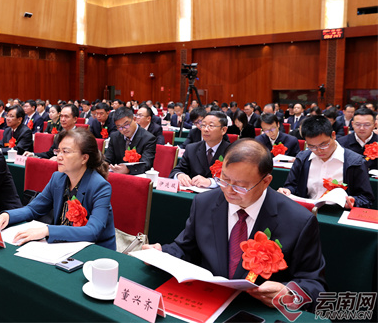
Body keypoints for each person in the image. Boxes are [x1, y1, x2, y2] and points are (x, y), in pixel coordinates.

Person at [144, 139, 327, 309]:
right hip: (209, 301)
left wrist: (289, 293)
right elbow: (185, 248)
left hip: (257, 309)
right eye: (224, 179)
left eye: (240, 186)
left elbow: (314, 284)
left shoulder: (298, 220)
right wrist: (162, 252)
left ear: (265, 181)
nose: (229, 191)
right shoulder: (204, 203)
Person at [0, 129, 116, 250]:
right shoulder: (58, 178)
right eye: (58, 151)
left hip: (94, 249)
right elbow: (33, 209)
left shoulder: (100, 186)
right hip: (63, 245)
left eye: (65, 152)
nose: (59, 157)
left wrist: (47, 230)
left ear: (84, 158)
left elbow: (92, 231)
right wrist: (8, 215)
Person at [278, 115, 374, 209]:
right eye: (312, 146)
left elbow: (366, 199)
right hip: (307, 210)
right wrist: (287, 191)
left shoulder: (355, 162)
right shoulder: (302, 158)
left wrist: (353, 201)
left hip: (338, 213)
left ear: (333, 135)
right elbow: (292, 185)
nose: (319, 150)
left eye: (323, 145)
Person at [169, 111, 231, 188]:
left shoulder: (232, 152)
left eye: (211, 126)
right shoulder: (191, 149)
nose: (205, 129)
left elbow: (234, 181)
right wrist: (179, 175)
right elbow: (177, 170)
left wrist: (211, 182)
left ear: (223, 130)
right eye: (203, 125)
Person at [104, 106, 156, 175]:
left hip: (137, 176)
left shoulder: (148, 138)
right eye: (119, 127)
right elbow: (108, 159)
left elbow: (146, 164)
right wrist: (104, 165)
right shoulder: (115, 137)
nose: (124, 129)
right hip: (118, 175)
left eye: (126, 125)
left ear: (134, 119)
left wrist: (128, 170)